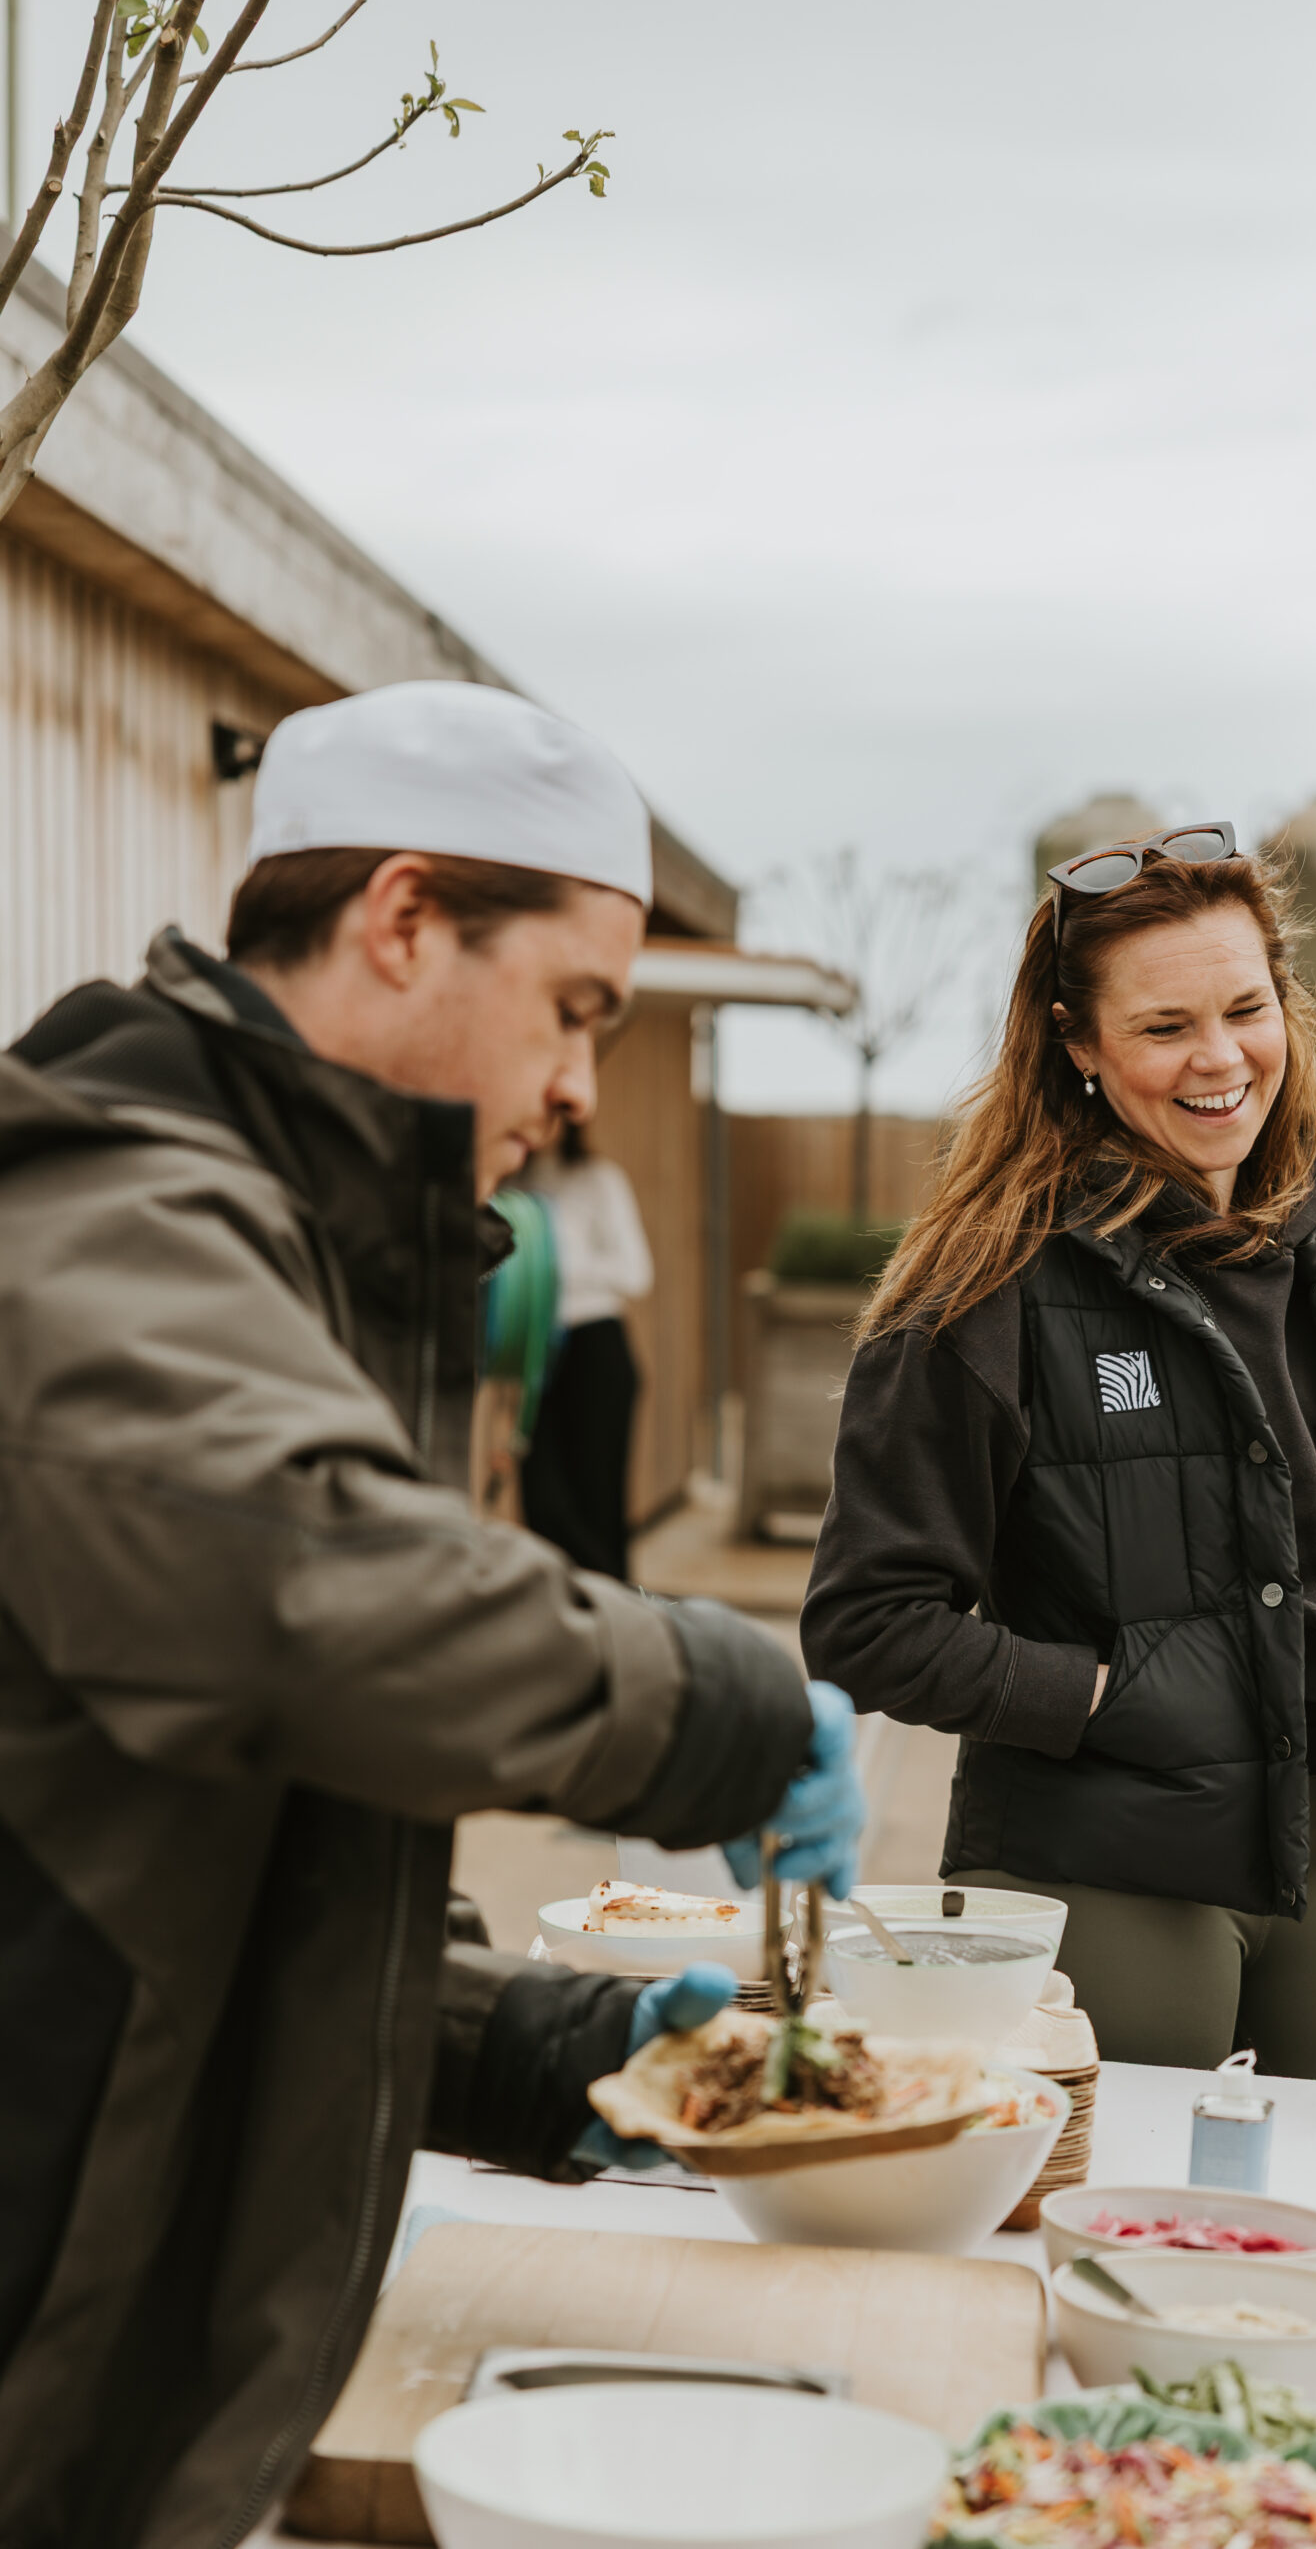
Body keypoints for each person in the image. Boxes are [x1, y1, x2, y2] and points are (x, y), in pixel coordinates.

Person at [0, 680, 864, 2549]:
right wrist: (716, 1701)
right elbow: (309, 1600)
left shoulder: (297, 1247)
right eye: (575, 1012)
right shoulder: (104, 1211)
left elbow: (211, 1864)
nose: (576, 1093)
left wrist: (530, 2047)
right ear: (401, 922)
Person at [801, 825, 1316, 2081]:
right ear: (1078, 1044)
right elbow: (868, 1621)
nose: (1220, 1060)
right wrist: (1108, 1698)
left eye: (1245, 1009)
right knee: (1090, 2243)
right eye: (1163, 1028)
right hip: (1092, 1848)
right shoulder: (984, 1283)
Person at [523, 1122, 653, 1578]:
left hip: (595, 1346)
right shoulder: (512, 1183)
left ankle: (615, 1619)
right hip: (537, 1354)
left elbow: (637, 1272)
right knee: (542, 1501)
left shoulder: (598, 1179)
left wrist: (558, 1264)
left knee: (598, 1502)